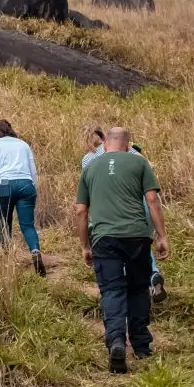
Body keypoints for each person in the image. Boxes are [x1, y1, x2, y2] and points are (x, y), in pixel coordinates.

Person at [76, 127, 168, 373]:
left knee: (112, 291)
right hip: (137, 236)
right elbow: (152, 200)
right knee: (138, 289)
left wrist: (85, 245)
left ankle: (116, 341)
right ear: (128, 145)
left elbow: (81, 211)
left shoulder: (90, 168)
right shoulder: (140, 163)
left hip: (104, 238)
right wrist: (162, 235)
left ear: (105, 145)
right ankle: (141, 346)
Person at [82, 126, 167, 304]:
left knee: (116, 249)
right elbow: (149, 171)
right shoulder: (132, 152)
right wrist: (162, 234)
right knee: (139, 241)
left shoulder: (88, 160)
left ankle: (122, 291)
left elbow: (89, 194)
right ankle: (151, 275)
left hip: (110, 210)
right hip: (141, 202)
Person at [0, 120, 45, 275]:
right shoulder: (23, 144)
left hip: (5, 186)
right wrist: (33, 186)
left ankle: (7, 262)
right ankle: (35, 251)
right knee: (28, 225)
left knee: (4, 224)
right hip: (26, 184)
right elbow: (32, 169)